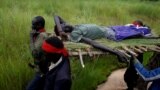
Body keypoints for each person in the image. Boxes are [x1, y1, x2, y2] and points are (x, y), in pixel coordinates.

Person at [54, 16, 152, 43]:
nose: (66, 24)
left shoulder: (75, 27)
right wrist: (61, 32)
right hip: (112, 35)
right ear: (66, 32)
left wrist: (60, 29)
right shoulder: (75, 34)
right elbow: (92, 43)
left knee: (127, 27)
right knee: (133, 32)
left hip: (109, 28)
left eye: (65, 23)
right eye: (64, 26)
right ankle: (143, 32)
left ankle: (140, 28)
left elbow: (56, 16)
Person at [27, 16, 50, 90]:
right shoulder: (40, 34)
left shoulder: (42, 36)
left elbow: (35, 54)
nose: (32, 26)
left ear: (39, 25)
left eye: (33, 24)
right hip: (42, 68)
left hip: (41, 71)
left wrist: (31, 38)